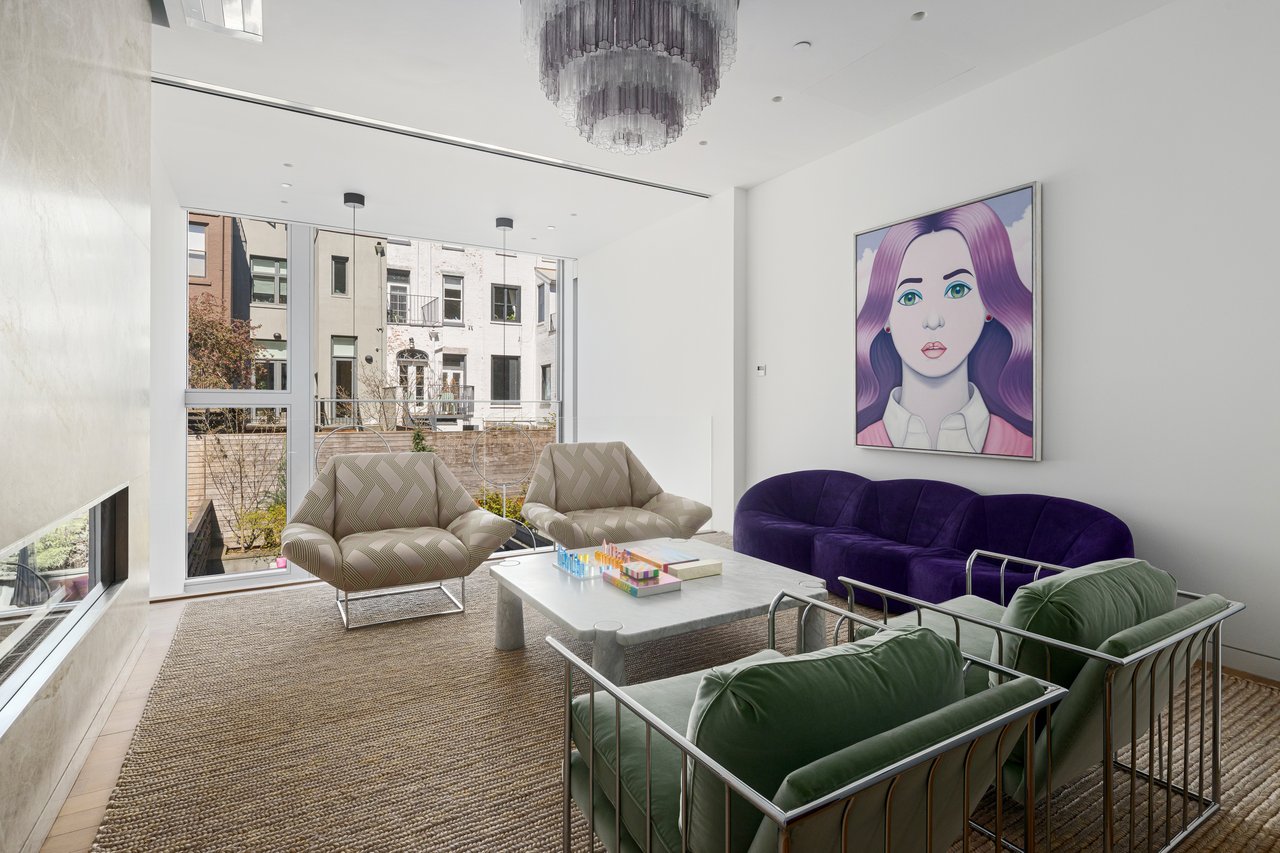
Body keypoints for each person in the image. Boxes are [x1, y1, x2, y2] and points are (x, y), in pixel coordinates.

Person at [855, 200, 1034, 456]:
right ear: (885, 318)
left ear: (988, 306)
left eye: (957, 289)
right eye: (910, 297)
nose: (933, 319)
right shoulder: (865, 439)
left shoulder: (1021, 445)